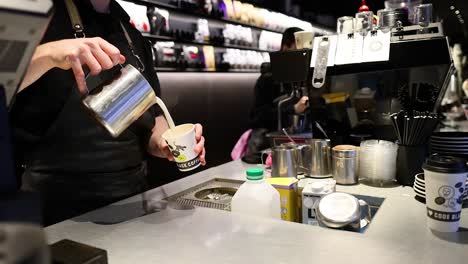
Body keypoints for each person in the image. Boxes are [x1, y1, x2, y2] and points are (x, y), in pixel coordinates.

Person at [10, 0, 206, 225]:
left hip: (132, 197)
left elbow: (153, 119)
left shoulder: (130, 33)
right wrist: (50, 53)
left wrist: (166, 143)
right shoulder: (40, 16)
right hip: (54, 204)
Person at [249, 27, 309, 132]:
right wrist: (293, 109)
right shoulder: (268, 78)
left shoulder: (299, 75)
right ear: (285, 47)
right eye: (299, 49)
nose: (303, 55)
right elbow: (258, 117)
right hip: (268, 139)